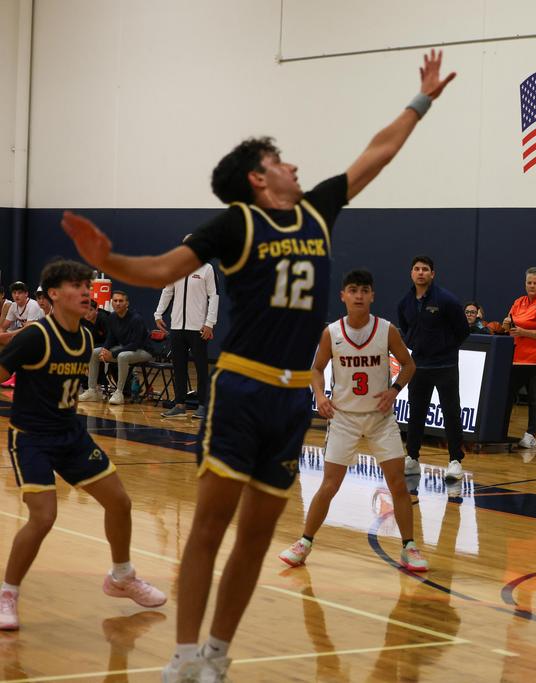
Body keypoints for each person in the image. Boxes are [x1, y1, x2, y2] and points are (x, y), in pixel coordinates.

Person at [61, 49, 455, 682]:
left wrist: (422, 101)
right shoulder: (236, 223)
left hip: (292, 398)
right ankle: (183, 658)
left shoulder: (318, 209)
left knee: (255, 536)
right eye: (280, 160)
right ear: (258, 178)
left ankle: (216, 655)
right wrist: (107, 260)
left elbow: (378, 152)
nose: (293, 165)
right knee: (210, 527)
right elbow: (161, 270)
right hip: (241, 389)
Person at [0, 259, 166, 631]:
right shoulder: (36, 337)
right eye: (76, 286)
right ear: (54, 294)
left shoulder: (88, 337)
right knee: (44, 517)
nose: (86, 292)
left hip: (71, 435)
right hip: (32, 438)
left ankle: (121, 576)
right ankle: (8, 593)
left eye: (87, 286)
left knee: (120, 502)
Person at [278, 269, 427, 571]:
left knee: (398, 484)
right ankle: (304, 543)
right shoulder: (331, 333)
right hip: (344, 418)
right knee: (329, 485)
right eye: (353, 290)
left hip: (380, 418)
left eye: (364, 291)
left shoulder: (386, 330)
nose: (359, 296)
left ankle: (409, 547)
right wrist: (320, 396)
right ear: (343, 295)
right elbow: (316, 368)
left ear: (372, 295)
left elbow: (409, 365)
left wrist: (394, 390)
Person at [398, 255, 471, 480]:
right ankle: (412, 458)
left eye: (425, 269)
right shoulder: (405, 302)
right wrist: (416, 345)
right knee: (416, 413)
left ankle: (455, 461)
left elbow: (463, 330)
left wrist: (445, 347)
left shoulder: (446, 300)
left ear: (432, 274)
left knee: (451, 413)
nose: (420, 272)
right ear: (411, 273)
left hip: (445, 365)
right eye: (417, 269)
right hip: (418, 366)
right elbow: (405, 328)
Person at [154, 246, 219, 419]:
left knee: (201, 367)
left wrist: (209, 323)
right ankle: (179, 404)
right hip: (177, 327)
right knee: (179, 367)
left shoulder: (207, 268)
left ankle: (203, 405)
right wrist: (158, 313)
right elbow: (167, 291)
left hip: (198, 328)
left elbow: (214, 296)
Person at [502, 266, 536, 449]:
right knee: (506, 395)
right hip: (516, 358)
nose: (532, 286)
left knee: (534, 398)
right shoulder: (519, 302)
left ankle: (531, 435)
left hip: (535, 360)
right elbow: (509, 324)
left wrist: (524, 332)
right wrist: (506, 324)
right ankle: (500, 429)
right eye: (529, 282)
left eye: (535, 283)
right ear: (525, 284)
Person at [77, 291, 154, 405]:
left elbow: (135, 344)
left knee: (122, 356)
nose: (118, 303)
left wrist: (113, 354)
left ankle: (119, 393)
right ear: (112, 303)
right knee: (94, 352)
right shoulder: (112, 317)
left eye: (121, 301)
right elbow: (111, 338)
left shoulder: (136, 318)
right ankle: (92, 390)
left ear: (127, 303)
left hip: (143, 350)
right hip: (124, 348)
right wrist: (104, 350)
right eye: (115, 300)